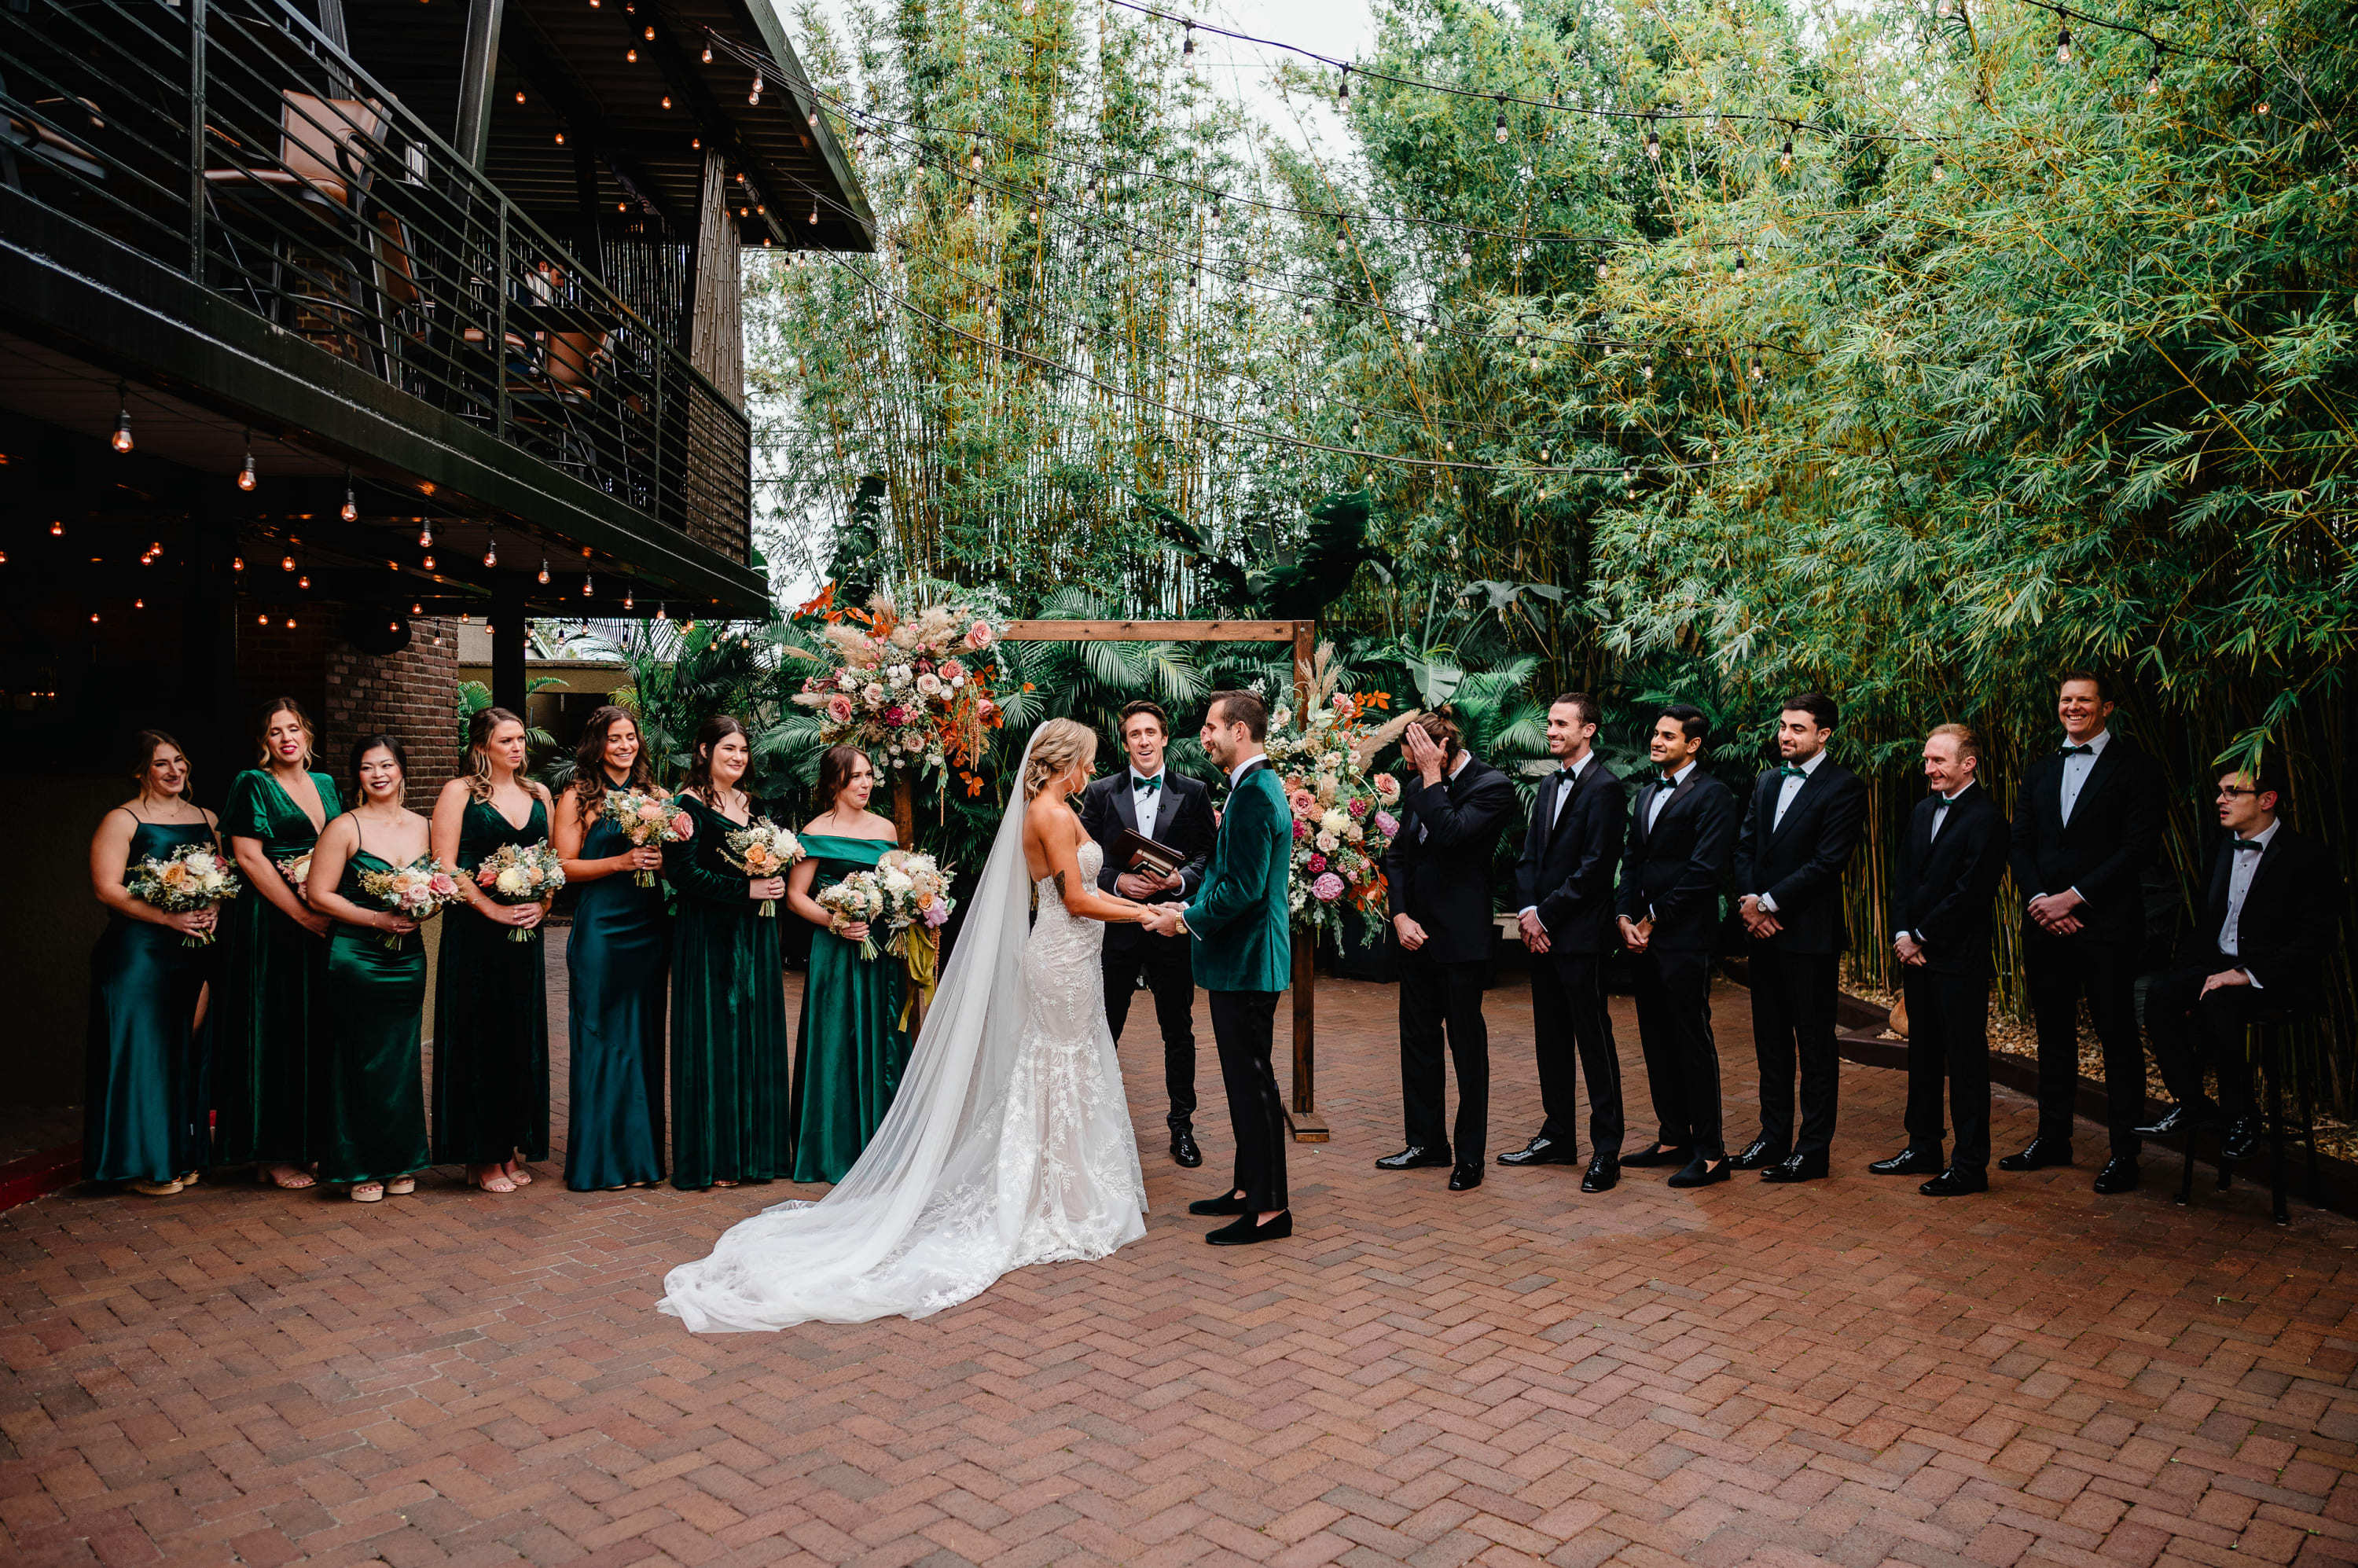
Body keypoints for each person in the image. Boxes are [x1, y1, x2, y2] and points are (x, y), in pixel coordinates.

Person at [658, 722, 1149, 1330]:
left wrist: (1136, 903)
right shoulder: (1047, 812)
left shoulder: (1057, 807)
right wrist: (1146, 914)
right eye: (1088, 761)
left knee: (1062, 1063)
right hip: (1054, 955)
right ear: (1065, 761)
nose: (1091, 772)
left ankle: (1061, 1183)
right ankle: (1053, 1190)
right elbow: (1074, 898)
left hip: (1074, 958)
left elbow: (1087, 887)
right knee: (1055, 1062)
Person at [1140, 692, 1296, 1244]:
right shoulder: (1251, 786)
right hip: (1242, 959)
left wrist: (1183, 923)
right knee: (1243, 1081)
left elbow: (1244, 890)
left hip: (1250, 962)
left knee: (1253, 1084)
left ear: (1239, 731)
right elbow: (1229, 876)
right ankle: (1244, 1188)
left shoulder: (1255, 793)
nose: (1203, 737)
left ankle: (1270, 1209)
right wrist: (1184, 904)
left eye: (1210, 727)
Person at [2002, 670, 2162, 1194]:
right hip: (2046, 922)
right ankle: (2053, 1136)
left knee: (2117, 1037)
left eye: (2085, 700)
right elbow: (2020, 842)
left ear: (2107, 707)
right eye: (2067, 699)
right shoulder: (2040, 768)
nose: (2073, 707)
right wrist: (2040, 902)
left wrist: (2076, 897)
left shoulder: (2135, 767)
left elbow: (2137, 848)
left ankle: (2124, 1151)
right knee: (2053, 1034)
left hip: (2106, 924)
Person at [2136, 766, 2336, 1163]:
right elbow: (2205, 924)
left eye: (2232, 792)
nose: (2219, 800)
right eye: (2220, 791)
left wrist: (2245, 974)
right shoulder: (2221, 847)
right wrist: (2187, 975)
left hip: (2276, 977)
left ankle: (2243, 1114)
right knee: (2160, 993)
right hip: (2219, 963)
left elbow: (2316, 938)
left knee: (2219, 1003)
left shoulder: (2305, 855)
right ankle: (2192, 1101)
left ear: (2266, 800)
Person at [1376, 709, 1518, 1192]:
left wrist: (1433, 777)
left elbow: (1454, 834)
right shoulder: (1418, 788)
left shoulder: (1492, 786)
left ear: (1441, 752)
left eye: (1415, 760)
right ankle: (1426, 1142)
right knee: (1417, 1043)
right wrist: (1399, 915)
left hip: (1461, 941)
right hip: (1415, 936)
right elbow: (1398, 857)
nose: (1409, 770)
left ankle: (1469, 1156)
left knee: (1466, 1047)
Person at [1729, 692, 1868, 1183]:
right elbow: (1745, 846)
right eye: (1783, 726)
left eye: (1798, 729)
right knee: (1769, 1041)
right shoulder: (1767, 780)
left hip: (1809, 936)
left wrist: (1768, 903)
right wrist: (1750, 901)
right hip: (1762, 934)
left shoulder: (1844, 786)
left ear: (1823, 735)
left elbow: (1828, 862)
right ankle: (1772, 1138)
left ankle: (1812, 1150)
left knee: (1814, 1044)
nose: (1785, 736)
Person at [1871, 724, 2008, 1195]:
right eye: (1927, 759)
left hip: (1958, 959)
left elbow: (1971, 893)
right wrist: (1903, 934)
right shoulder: (1923, 808)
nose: (1928, 768)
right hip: (1917, 956)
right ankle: (1923, 1145)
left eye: (1937, 761)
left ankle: (1970, 1165)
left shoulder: (1987, 817)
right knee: (1922, 1051)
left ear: (1968, 764)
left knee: (1966, 1061)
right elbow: (1903, 877)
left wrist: (1923, 936)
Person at [1080, 700, 1215, 1167]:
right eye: (1134, 733)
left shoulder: (1194, 791)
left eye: (1150, 733)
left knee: (1177, 1030)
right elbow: (1082, 860)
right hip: (1117, 927)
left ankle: (1183, 1128)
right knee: (1105, 1028)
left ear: (1163, 738)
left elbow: (1206, 855)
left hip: (1171, 925)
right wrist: (1118, 882)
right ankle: (1097, 1133)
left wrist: (1179, 882)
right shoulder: (1099, 793)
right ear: (1125, 742)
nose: (1143, 741)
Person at [83, 731, 219, 1196]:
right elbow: (108, 888)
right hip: (137, 953)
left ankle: (179, 1154)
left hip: (192, 950)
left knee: (183, 1051)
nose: (174, 771)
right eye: (161, 764)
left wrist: (213, 907)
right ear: (141, 771)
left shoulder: (208, 818)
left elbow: (221, 875)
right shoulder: (122, 820)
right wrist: (168, 915)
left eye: (179, 761)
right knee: (141, 1055)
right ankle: (142, 1164)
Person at [665, 716, 794, 1190]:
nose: (738, 758)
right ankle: (717, 1158)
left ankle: (756, 1154)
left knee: (755, 1032)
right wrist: (748, 889)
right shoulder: (686, 807)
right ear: (704, 751)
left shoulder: (751, 805)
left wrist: (773, 882)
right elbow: (682, 875)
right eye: (728, 749)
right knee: (716, 1036)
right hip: (709, 938)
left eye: (743, 750)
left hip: (755, 937)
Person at [1505, 692, 1627, 1192]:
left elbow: (1596, 869)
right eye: (1549, 724)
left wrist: (1546, 915)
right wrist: (1528, 914)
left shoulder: (1606, 789)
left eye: (1561, 724)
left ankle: (1607, 1150)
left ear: (1589, 729)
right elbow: (1529, 856)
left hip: (1579, 937)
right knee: (1550, 1039)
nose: (1551, 731)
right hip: (1542, 935)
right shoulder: (1550, 783)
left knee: (1593, 1042)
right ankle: (1557, 1134)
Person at [429, 707, 553, 1194]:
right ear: (482, 747)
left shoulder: (539, 793)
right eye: (507, 741)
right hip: (476, 935)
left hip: (525, 933)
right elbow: (446, 863)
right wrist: (492, 909)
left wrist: (543, 902)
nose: (518, 748)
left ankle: (510, 1146)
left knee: (518, 1037)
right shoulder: (459, 792)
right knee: (480, 1037)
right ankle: (481, 1155)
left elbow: (550, 861)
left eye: (521, 739)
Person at [303, 736, 432, 1203]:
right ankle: (358, 1168)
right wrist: (377, 918)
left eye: (386, 765)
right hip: (355, 955)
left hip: (407, 958)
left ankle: (400, 1161)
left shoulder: (426, 826)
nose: (378, 774)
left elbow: (437, 887)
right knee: (358, 1059)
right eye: (366, 767)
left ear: (402, 770)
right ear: (357, 776)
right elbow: (320, 895)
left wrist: (423, 910)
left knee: (401, 1061)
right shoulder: (344, 827)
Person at [219, 697, 341, 1189]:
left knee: (315, 1028)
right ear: (263, 742)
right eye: (275, 731)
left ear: (307, 735)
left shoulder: (328, 784)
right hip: (271, 922)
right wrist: (300, 914)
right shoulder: (252, 784)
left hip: (322, 918)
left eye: (294, 728)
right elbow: (248, 858)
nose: (287, 738)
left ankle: (310, 1142)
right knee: (276, 1028)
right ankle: (273, 1151)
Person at [1616, 705, 1739, 1189]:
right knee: (1655, 1039)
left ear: (1693, 745)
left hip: (1685, 939)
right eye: (1655, 733)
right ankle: (1672, 1136)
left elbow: (1705, 873)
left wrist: (1652, 920)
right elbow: (1632, 860)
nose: (1657, 741)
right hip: (1643, 937)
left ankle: (1711, 1153)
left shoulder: (1714, 796)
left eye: (1669, 736)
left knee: (1691, 1042)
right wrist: (1625, 916)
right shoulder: (1646, 793)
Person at [552, 707, 673, 1192]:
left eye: (630, 738)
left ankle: (641, 1161)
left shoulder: (656, 796)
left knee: (643, 1038)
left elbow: (671, 863)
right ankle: (599, 1161)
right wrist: (621, 861)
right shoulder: (578, 796)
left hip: (648, 925)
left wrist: (662, 860)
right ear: (596, 745)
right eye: (614, 739)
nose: (624, 746)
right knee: (601, 1035)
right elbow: (563, 867)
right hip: (602, 927)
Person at [785, 745, 912, 1185]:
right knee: (835, 1040)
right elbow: (795, 896)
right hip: (836, 952)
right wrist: (836, 921)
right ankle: (830, 1147)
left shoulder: (885, 828)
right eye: (856, 777)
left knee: (881, 1038)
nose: (865, 784)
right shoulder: (815, 830)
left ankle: (880, 1144)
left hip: (880, 950)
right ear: (835, 782)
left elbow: (898, 883)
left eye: (869, 775)